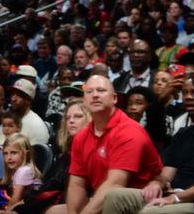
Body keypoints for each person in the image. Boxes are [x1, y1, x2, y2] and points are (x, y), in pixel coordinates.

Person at [103, 71, 194, 214]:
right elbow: (166, 174)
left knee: (152, 212)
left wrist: (176, 197)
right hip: (171, 194)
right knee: (115, 197)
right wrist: (157, 183)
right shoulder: (184, 133)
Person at [65, 75, 163, 214]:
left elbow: (116, 183)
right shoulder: (81, 136)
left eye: (101, 90)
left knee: (113, 197)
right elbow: (77, 185)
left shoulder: (129, 131)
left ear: (114, 98)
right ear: (84, 100)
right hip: (104, 195)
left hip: (141, 196)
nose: (95, 95)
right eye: (89, 92)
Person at [0, 133, 42, 214]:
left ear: (26, 153)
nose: (9, 157)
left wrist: (7, 210)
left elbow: (15, 199)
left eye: (14, 153)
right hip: (25, 204)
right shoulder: (16, 170)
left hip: (34, 205)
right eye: (5, 153)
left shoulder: (24, 171)